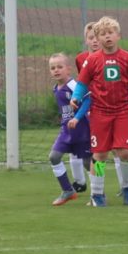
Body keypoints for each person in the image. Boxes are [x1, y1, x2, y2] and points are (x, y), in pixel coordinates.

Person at [70, 16, 128, 207]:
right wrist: (76, 97)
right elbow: (82, 83)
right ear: (98, 38)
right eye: (102, 34)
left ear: (118, 35)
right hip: (100, 113)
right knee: (100, 155)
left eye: (110, 33)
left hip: (122, 112)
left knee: (125, 152)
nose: (107, 37)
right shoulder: (92, 60)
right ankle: (97, 194)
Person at [47, 52, 92, 206]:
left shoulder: (74, 85)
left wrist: (77, 117)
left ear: (68, 69)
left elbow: (88, 100)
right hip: (66, 131)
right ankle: (68, 190)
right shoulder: (56, 88)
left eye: (60, 67)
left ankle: (98, 192)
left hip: (83, 129)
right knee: (54, 157)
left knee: (91, 162)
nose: (56, 70)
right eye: (53, 68)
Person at [67, 22, 101, 194]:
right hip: (86, 110)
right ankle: (83, 183)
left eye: (97, 37)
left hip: (106, 110)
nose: (95, 41)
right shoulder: (81, 59)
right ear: (86, 40)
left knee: (105, 153)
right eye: (91, 38)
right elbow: (84, 86)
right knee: (80, 149)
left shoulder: (111, 59)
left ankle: (125, 185)